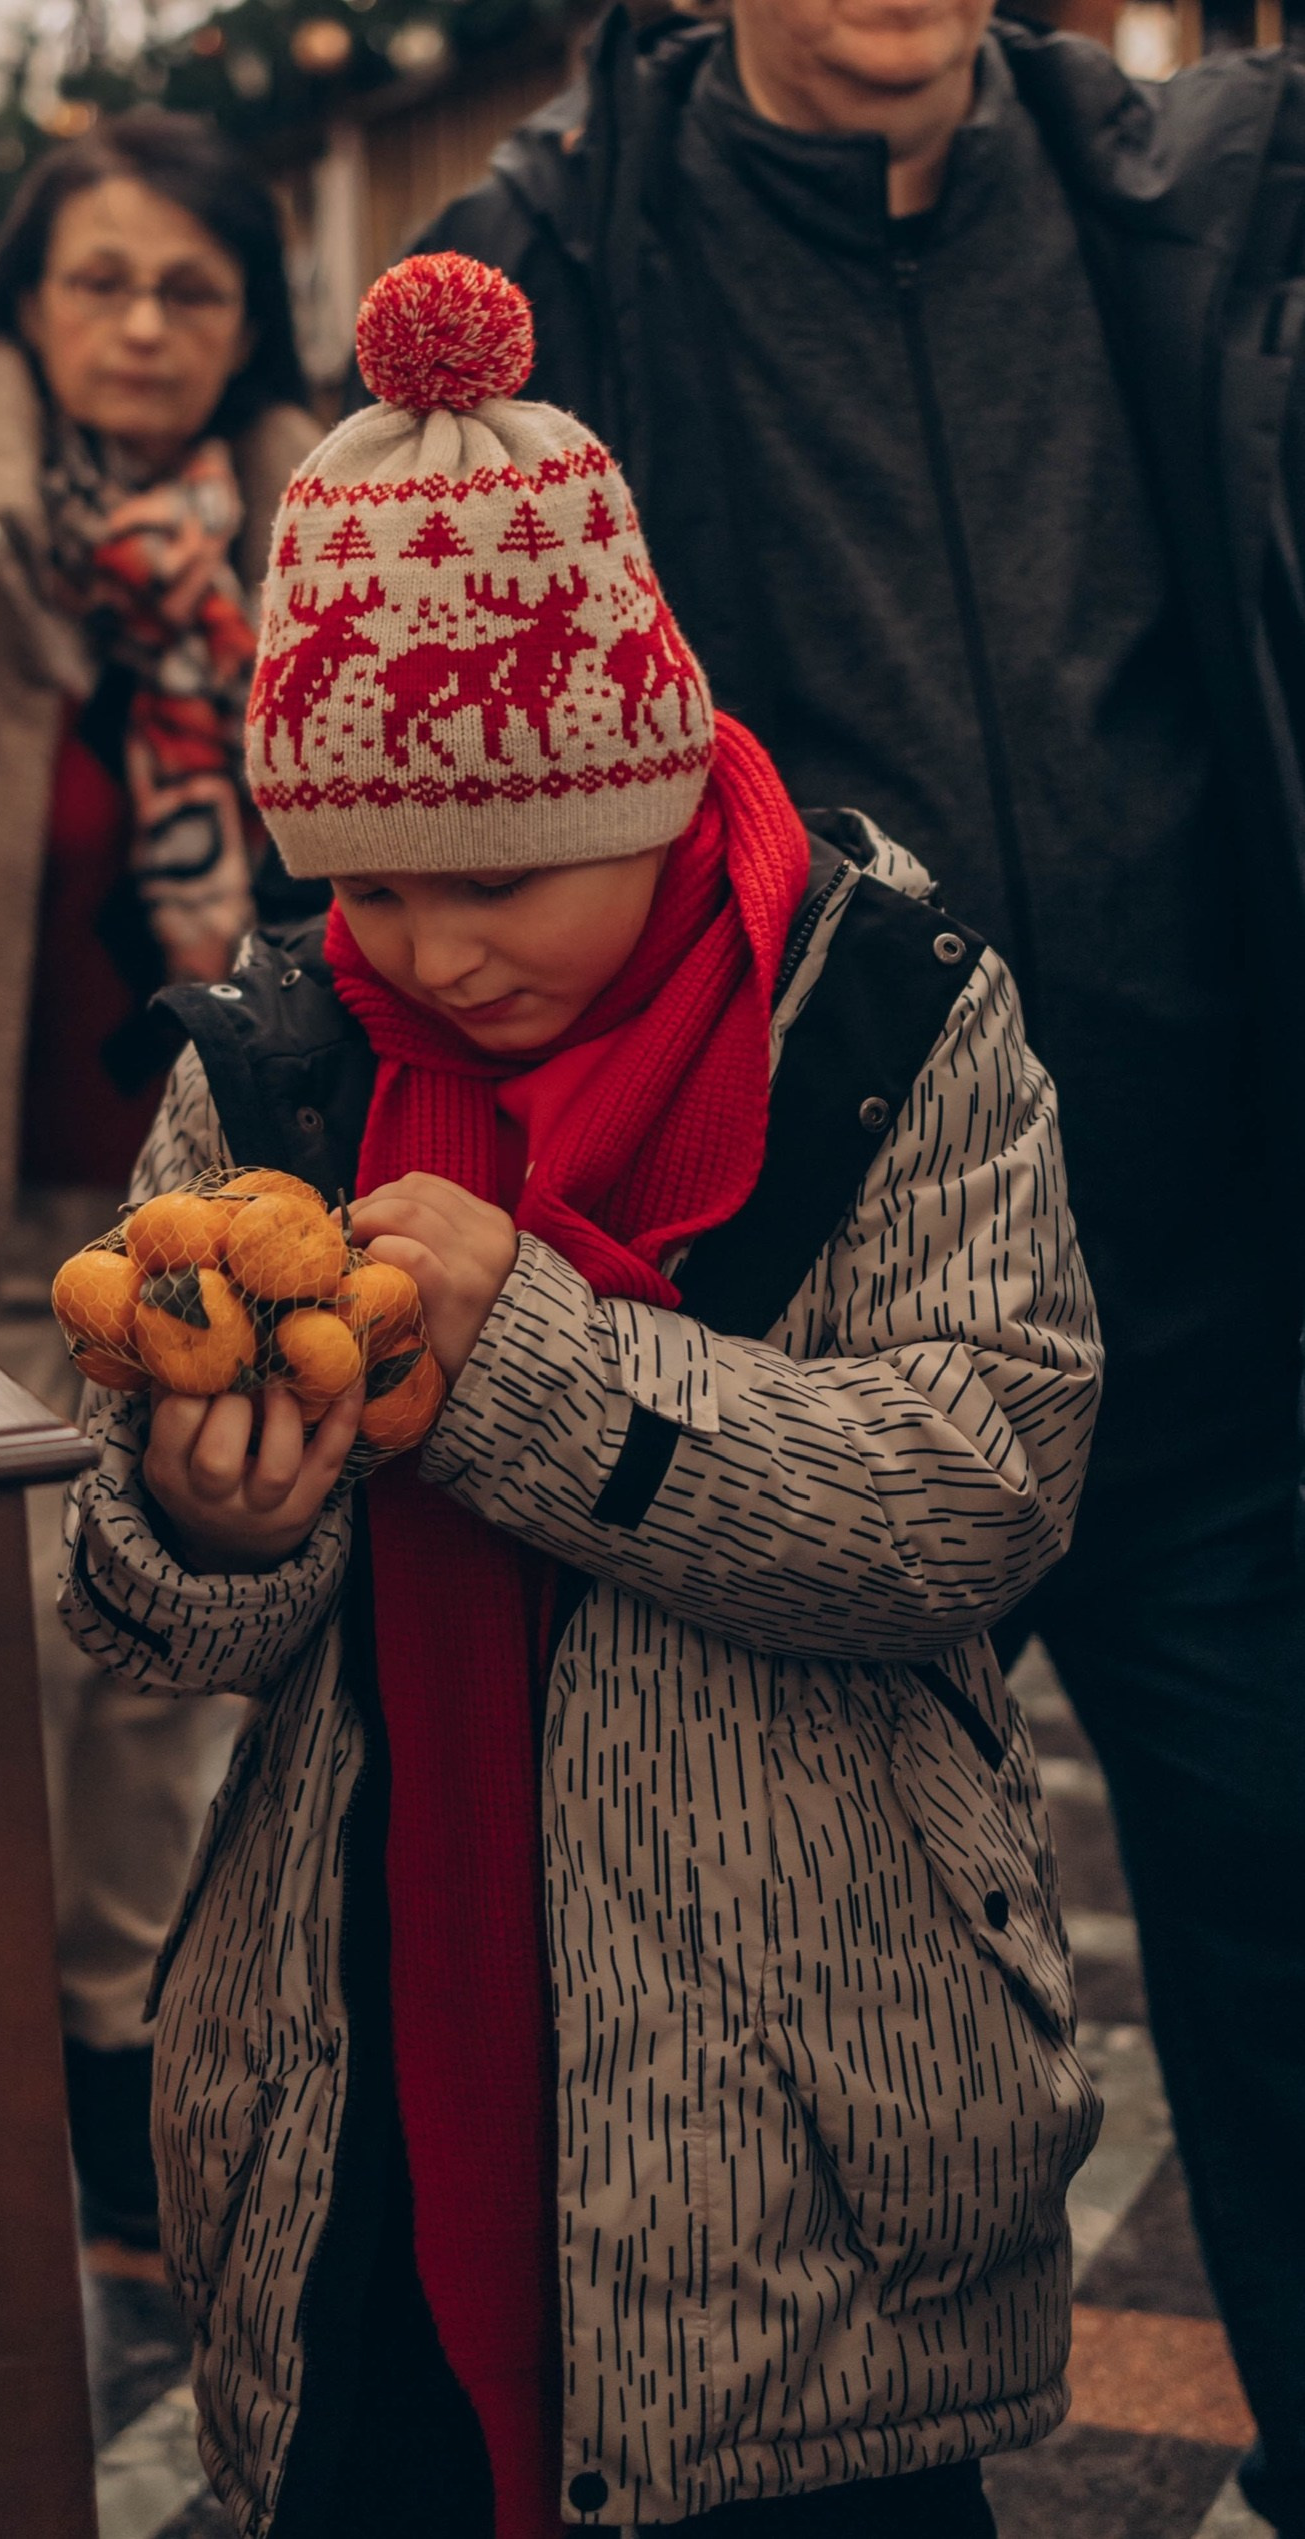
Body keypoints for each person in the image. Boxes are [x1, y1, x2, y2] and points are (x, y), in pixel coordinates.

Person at [61, 253, 1104, 2536]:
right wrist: (205, 1526)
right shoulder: (273, 1070)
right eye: (365, 888)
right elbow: (152, 1615)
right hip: (362, 2078)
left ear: (648, 781)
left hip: (804, 2134)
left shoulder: (884, 1027)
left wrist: (534, 1361)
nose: (431, 951)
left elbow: (979, 1486)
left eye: (500, 877)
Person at [399, 6, 1305, 2522]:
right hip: (798, 1337)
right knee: (772, 2028)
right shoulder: (560, 260)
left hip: (1196, 1304)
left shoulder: (1173, 201)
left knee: (1283, 1945)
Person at [0, 108, 320, 2246]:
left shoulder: (322, 532)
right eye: (99, 280)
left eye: (192, 290)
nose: (143, 326)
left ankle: (109, 2061)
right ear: (24, 299)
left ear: (250, 322)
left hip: (218, 1207)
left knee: (161, 1664)